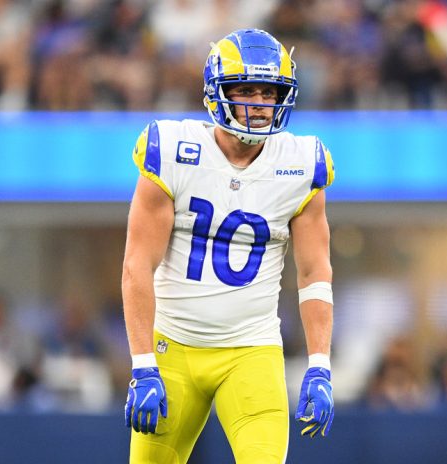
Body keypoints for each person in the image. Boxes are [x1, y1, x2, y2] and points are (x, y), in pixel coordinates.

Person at [121, 28, 335, 463]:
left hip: (251, 348)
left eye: (269, 91)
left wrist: (320, 363)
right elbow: (136, 266)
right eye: (246, 90)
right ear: (218, 94)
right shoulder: (174, 150)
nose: (259, 104)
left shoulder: (300, 162)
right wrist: (143, 364)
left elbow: (314, 273)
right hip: (174, 347)